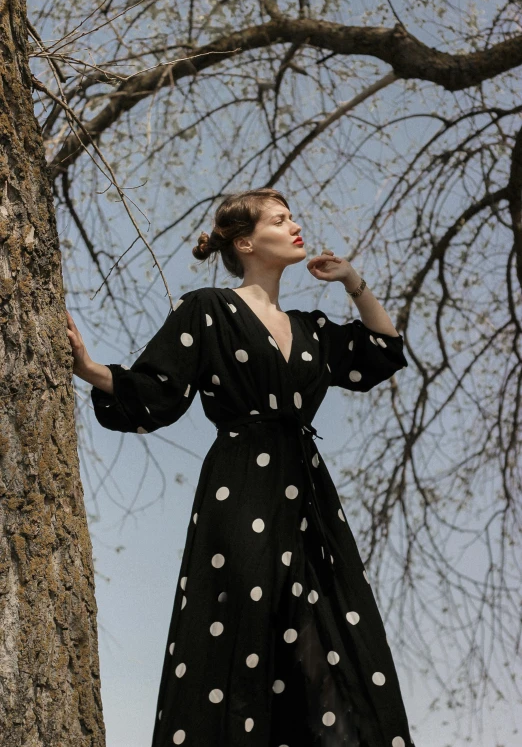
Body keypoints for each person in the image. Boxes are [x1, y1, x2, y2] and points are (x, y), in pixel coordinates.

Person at [67, 187, 416, 747]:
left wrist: (354, 283)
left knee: (329, 641)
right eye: (282, 219)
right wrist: (89, 369)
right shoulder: (208, 310)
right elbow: (157, 392)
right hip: (241, 492)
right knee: (237, 635)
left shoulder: (314, 330)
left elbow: (383, 350)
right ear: (248, 241)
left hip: (311, 505)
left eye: (294, 216)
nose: (296, 225)